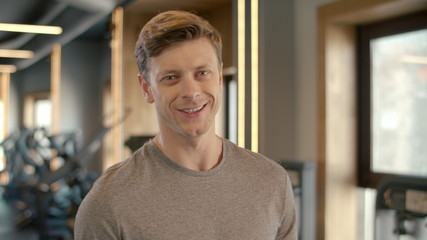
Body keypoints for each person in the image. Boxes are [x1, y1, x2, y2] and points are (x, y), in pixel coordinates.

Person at [74, 10, 297, 240]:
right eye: (171, 77)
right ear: (146, 88)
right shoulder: (109, 201)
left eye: (202, 73)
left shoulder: (272, 181)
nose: (191, 92)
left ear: (219, 78)